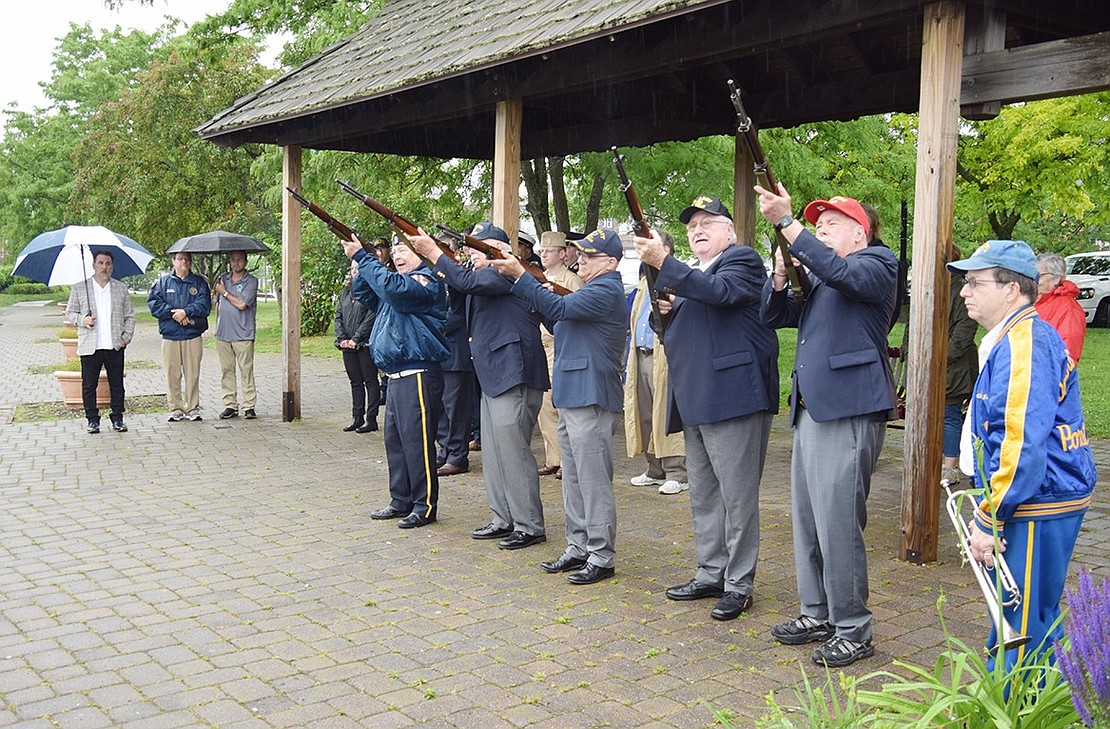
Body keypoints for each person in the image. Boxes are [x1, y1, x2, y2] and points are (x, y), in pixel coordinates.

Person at [757, 187, 898, 667]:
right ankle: (816, 612)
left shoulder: (877, 264)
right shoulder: (821, 275)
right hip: (813, 408)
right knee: (808, 521)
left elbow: (840, 272)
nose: (819, 231)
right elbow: (776, 316)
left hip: (850, 407)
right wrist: (779, 276)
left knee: (838, 524)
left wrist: (790, 225)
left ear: (860, 232)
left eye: (830, 225)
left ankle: (854, 629)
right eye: (816, 226)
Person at [947, 239, 1096, 670]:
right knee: (1032, 615)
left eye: (975, 282)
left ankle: (1016, 707)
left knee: (1021, 621)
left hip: (1037, 499)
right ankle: (1041, 698)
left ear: (1012, 289)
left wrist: (989, 517)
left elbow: (1020, 442)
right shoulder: (1019, 335)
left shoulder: (1024, 342)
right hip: (1043, 494)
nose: (964, 291)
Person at [633, 195, 779, 623]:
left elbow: (722, 294)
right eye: (693, 224)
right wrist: (670, 309)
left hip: (733, 396)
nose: (698, 229)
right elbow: (683, 327)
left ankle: (739, 584)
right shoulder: (693, 276)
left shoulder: (743, 261)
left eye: (709, 222)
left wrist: (665, 262)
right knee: (705, 495)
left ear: (729, 231)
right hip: (696, 396)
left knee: (737, 497)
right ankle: (710, 571)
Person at [491, 228, 627, 584]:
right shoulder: (592, 289)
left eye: (589, 256)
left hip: (590, 394)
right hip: (572, 392)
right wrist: (540, 293)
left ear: (610, 263)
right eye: (580, 254)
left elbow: (561, 308)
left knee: (592, 479)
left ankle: (601, 554)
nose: (580, 259)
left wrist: (524, 278)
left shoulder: (607, 289)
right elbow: (558, 318)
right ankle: (578, 545)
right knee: (575, 478)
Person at [409, 222, 550, 550]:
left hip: (512, 372)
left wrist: (432, 253)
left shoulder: (504, 272)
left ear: (501, 252)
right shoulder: (480, 278)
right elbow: (458, 303)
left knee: (513, 452)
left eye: (479, 247)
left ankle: (529, 525)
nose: (471, 252)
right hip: (493, 374)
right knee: (496, 453)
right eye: (471, 247)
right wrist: (446, 269)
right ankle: (504, 517)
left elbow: (468, 280)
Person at [342, 235, 449, 529]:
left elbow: (393, 289)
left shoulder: (425, 282)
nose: (398, 256)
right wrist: (366, 263)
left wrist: (365, 259)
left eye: (405, 250)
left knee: (418, 443)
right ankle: (401, 499)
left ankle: (424, 505)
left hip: (418, 374)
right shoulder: (396, 284)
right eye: (396, 251)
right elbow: (364, 292)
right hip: (396, 375)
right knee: (397, 441)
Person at [624, 230, 688, 495]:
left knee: (666, 413)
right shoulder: (644, 281)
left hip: (666, 357)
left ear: (667, 249)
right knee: (645, 412)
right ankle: (654, 468)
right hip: (641, 355)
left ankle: (677, 472)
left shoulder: (679, 278)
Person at [65, 250, 136, 433]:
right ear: (93, 265)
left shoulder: (120, 288)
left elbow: (130, 316)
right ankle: (92, 419)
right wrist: (83, 320)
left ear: (112, 266)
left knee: (117, 384)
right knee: (89, 385)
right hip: (91, 345)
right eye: (101, 263)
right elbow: (70, 313)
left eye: (108, 263)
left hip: (114, 344)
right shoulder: (80, 288)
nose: (104, 267)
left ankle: (117, 417)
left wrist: (125, 337)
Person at [534, 231, 583, 477]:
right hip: (539, 345)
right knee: (544, 406)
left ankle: (567, 460)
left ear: (563, 254)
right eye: (542, 251)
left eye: (549, 251)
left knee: (561, 405)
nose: (544, 254)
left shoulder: (571, 280)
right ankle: (553, 457)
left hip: (558, 344)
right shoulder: (538, 277)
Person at [148, 251, 211, 421]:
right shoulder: (162, 283)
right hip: (170, 336)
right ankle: (175, 408)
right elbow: (154, 305)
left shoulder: (199, 282)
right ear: (173, 261)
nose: (184, 262)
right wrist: (173, 314)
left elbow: (204, 306)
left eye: (187, 259)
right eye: (180, 259)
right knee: (172, 374)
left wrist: (186, 312)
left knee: (192, 373)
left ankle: (192, 408)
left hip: (192, 335)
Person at [436, 238, 475, 477]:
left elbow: (457, 316)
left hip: (456, 353)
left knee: (456, 410)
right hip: (439, 353)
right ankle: (445, 450)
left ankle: (458, 456)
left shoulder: (457, 277)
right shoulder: (435, 275)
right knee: (441, 408)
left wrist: (432, 325)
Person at [943, 245, 978, 485]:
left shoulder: (958, 289)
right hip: (932, 365)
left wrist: (941, 359)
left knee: (949, 414)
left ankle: (950, 467)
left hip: (952, 367)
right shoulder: (931, 286)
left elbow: (965, 331)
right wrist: (909, 351)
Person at [335, 258, 380, 433]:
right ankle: (357, 416)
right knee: (355, 382)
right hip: (347, 345)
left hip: (365, 344)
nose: (355, 271)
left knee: (370, 380)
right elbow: (338, 315)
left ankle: (371, 418)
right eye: (353, 268)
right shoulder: (345, 292)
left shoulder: (371, 292)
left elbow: (371, 316)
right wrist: (342, 338)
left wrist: (357, 338)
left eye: (359, 268)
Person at [214, 250, 259, 420]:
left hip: (243, 333)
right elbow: (218, 305)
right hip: (224, 333)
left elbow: (241, 304)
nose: (236, 263)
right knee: (226, 370)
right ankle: (230, 404)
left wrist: (224, 292)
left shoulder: (251, 281)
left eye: (239, 260)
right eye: (233, 260)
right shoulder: (223, 279)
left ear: (246, 262)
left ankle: (249, 405)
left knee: (246, 370)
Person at [1034, 252, 1086, 362]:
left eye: (1038, 275)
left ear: (1056, 279)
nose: (1033, 280)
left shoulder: (1069, 309)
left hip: (1047, 374)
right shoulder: (1030, 302)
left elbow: (1068, 355)